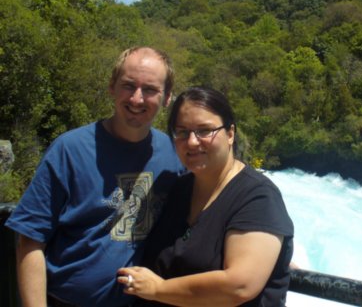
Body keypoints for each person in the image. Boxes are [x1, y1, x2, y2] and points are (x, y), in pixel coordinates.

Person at [5, 47, 185, 307]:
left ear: (167, 97)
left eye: (150, 89)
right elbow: (30, 240)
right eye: (128, 85)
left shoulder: (174, 155)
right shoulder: (70, 149)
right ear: (112, 87)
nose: (137, 99)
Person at [117, 86, 294, 307]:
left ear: (230, 134)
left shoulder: (257, 197)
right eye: (182, 132)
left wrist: (158, 289)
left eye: (205, 130)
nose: (192, 141)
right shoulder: (180, 189)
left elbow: (239, 286)